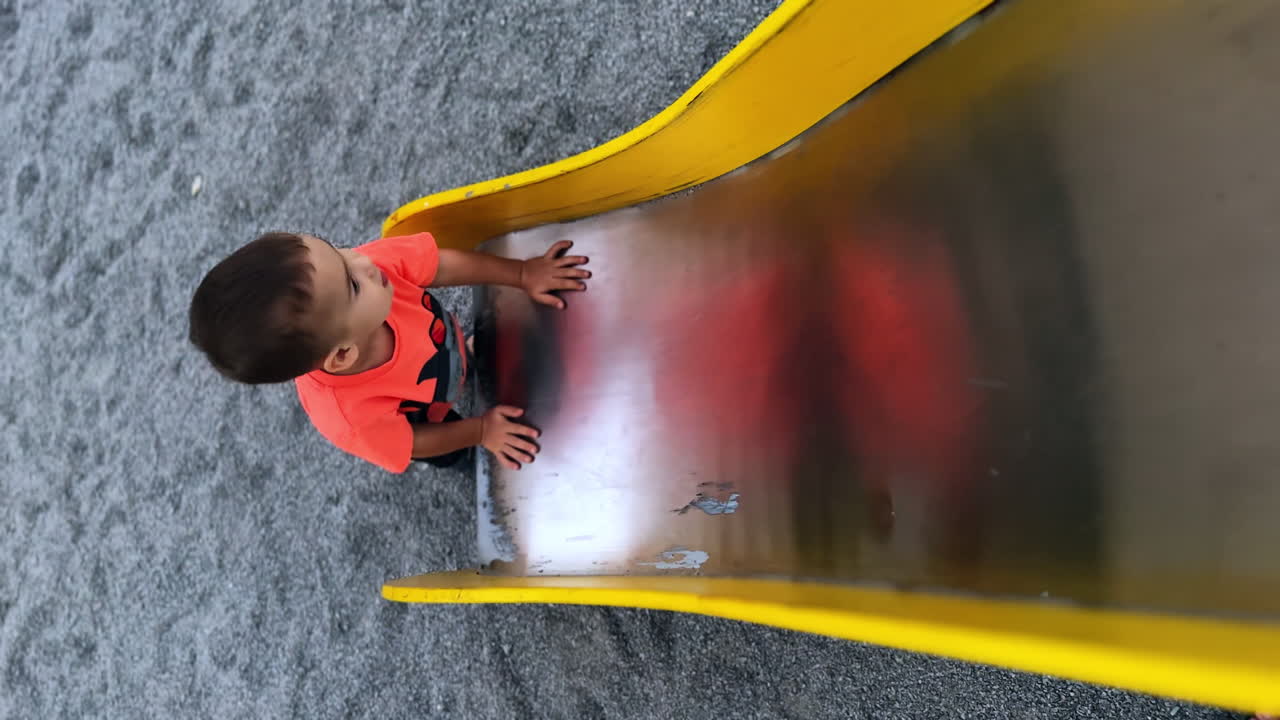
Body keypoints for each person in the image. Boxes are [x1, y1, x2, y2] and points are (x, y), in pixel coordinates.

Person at [188, 230, 589, 472]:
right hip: (420, 418)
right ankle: (465, 449)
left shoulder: (371, 266)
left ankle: (465, 356)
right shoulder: (350, 418)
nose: (363, 260)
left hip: (442, 350)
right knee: (449, 450)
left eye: (339, 250)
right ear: (343, 354)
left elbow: (441, 266)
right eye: (353, 285)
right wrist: (481, 430)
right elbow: (414, 441)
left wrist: (522, 273)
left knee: (460, 357)